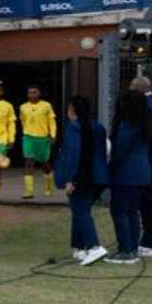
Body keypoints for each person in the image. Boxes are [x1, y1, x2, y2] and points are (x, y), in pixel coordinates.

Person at [54, 96, 109, 266]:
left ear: (73, 110)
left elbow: (72, 154)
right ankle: (79, 247)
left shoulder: (73, 127)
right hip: (98, 176)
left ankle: (93, 246)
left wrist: (69, 179)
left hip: (82, 177)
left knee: (80, 211)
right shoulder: (98, 127)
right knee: (81, 210)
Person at [106, 90, 152, 265]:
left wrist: (109, 167)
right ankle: (132, 248)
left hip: (126, 175)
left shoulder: (127, 125)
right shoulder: (144, 124)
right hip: (142, 174)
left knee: (119, 211)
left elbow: (119, 152)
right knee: (133, 212)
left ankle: (126, 250)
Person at [130, 74, 152, 257]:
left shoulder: (148, 107)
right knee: (148, 204)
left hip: (149, 163)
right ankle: (149, 241)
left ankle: (151, 243)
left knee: (150, 204)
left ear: (139, 89)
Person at [19, 84, 56, 199]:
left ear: (39, 93)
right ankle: (29, 191)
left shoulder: (46, 105)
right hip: (28, 137)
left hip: (42, 138)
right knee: (28, 162)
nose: (32, 95)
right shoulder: (23, 107)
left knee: (44, 164)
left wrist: (53, 135)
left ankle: (49, 187)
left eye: (35, 92)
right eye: (30, 93)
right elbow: (23, 121)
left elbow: (51, 121)